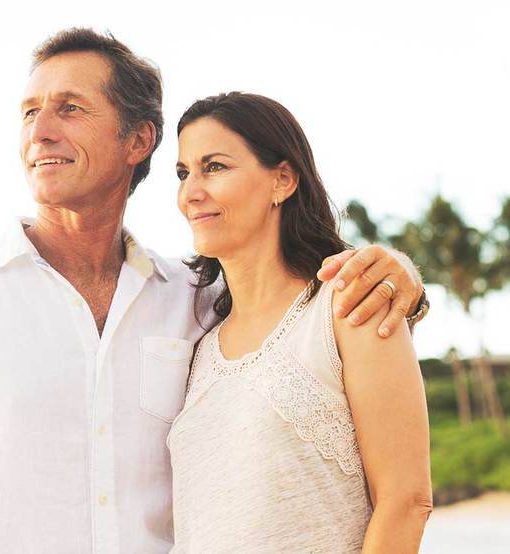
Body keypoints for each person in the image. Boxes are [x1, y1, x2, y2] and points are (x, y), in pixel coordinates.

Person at [0, 29, 428, 553]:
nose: (41, 130)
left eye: (70, 108)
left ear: (138, 140)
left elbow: (302, 325)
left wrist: (401, 274)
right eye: (30, 111)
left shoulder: (194, 300)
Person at [169, 92, 432, 552]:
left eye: (215, 167)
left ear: (283, 180)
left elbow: (406, 500)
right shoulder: (197, 338)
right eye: (183, 172)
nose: (191, 192)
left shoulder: (349, 306)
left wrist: (404, 272)